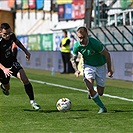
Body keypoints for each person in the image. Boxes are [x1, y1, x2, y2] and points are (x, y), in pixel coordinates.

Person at [70, 26, 113, 113]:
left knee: (100, 93)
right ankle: (102, 107)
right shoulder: (77, 45)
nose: (81, 40)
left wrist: (109, 69)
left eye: (83, 37)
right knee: (89, 88)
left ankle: (93, 91)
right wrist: (76, 70)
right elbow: (72, 59)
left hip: (100, 66)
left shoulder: (94, 43)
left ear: (87, 35)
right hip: (88, 66)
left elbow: (107, 55)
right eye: (79, 38)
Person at [0, 23, 40, 110]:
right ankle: (3, 86)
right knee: (7, 86)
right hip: (1, 67)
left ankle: (33, 102)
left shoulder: (11, 35)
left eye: (9, 33)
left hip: (11, 62)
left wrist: (26, 51)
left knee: (24, 79)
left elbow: (17, 42)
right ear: (0, 33)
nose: (7, 36)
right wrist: (4, 69)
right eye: (5, 34)